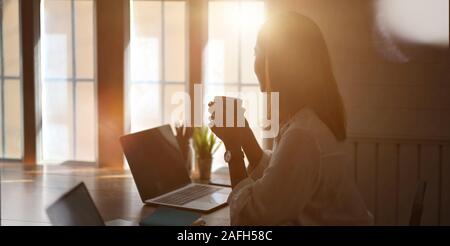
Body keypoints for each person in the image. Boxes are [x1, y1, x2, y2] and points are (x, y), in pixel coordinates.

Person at [208, 12, 373, 226]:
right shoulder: (309, 121)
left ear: (276, 63)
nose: (255, 64)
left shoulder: (302, 136)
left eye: (257, 53)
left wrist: (232, 147)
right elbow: (281, 182)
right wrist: (246, 138)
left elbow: (249, 219)